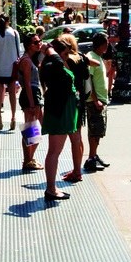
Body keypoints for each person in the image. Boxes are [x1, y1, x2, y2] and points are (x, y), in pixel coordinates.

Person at [39, 37, 80, 201]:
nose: (65, 57)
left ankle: (51, 187)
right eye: (63, 54)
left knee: (55, 152)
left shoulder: (55, 65)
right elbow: (56, 61)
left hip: (63, 112)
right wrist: (49, 50)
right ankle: (50, 188)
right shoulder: (52, 65)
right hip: (59, 113)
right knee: (54, 152)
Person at [61, 34, 98, 183]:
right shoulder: (80, 57)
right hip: (81, 99)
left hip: (71, 99)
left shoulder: (67, 60)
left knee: (74, 139)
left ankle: (77, 172)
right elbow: (96, 63)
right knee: (78, 137)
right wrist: (84, 59)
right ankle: (77, 169)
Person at [0, 14, 21, 131]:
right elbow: (19, 52)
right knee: (12, 93)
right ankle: (13, 118)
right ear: (8, 22)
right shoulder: (14, 33)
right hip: (11, 68)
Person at [85, 32, 112, 171]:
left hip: (101, 99)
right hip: (95, 101)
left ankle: (94, 155)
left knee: (99, 131)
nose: (108, 45)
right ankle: (90, 158)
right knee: (95, 131)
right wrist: (95, 100)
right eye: (106, 43)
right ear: (101, 44)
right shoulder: (91, 58)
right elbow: (88, 80)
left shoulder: (99, 58)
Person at [18, 32, 44, 171]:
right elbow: (27, 83)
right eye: (35, 42)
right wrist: (32, 102)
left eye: (39, 40)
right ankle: (28, 160)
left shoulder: (31, 59)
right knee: (31, 128)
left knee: (36, 127)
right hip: (31, 94)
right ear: (28, 45)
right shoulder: (27, 61)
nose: (39, 43)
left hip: (34, 93)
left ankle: (30, 159)